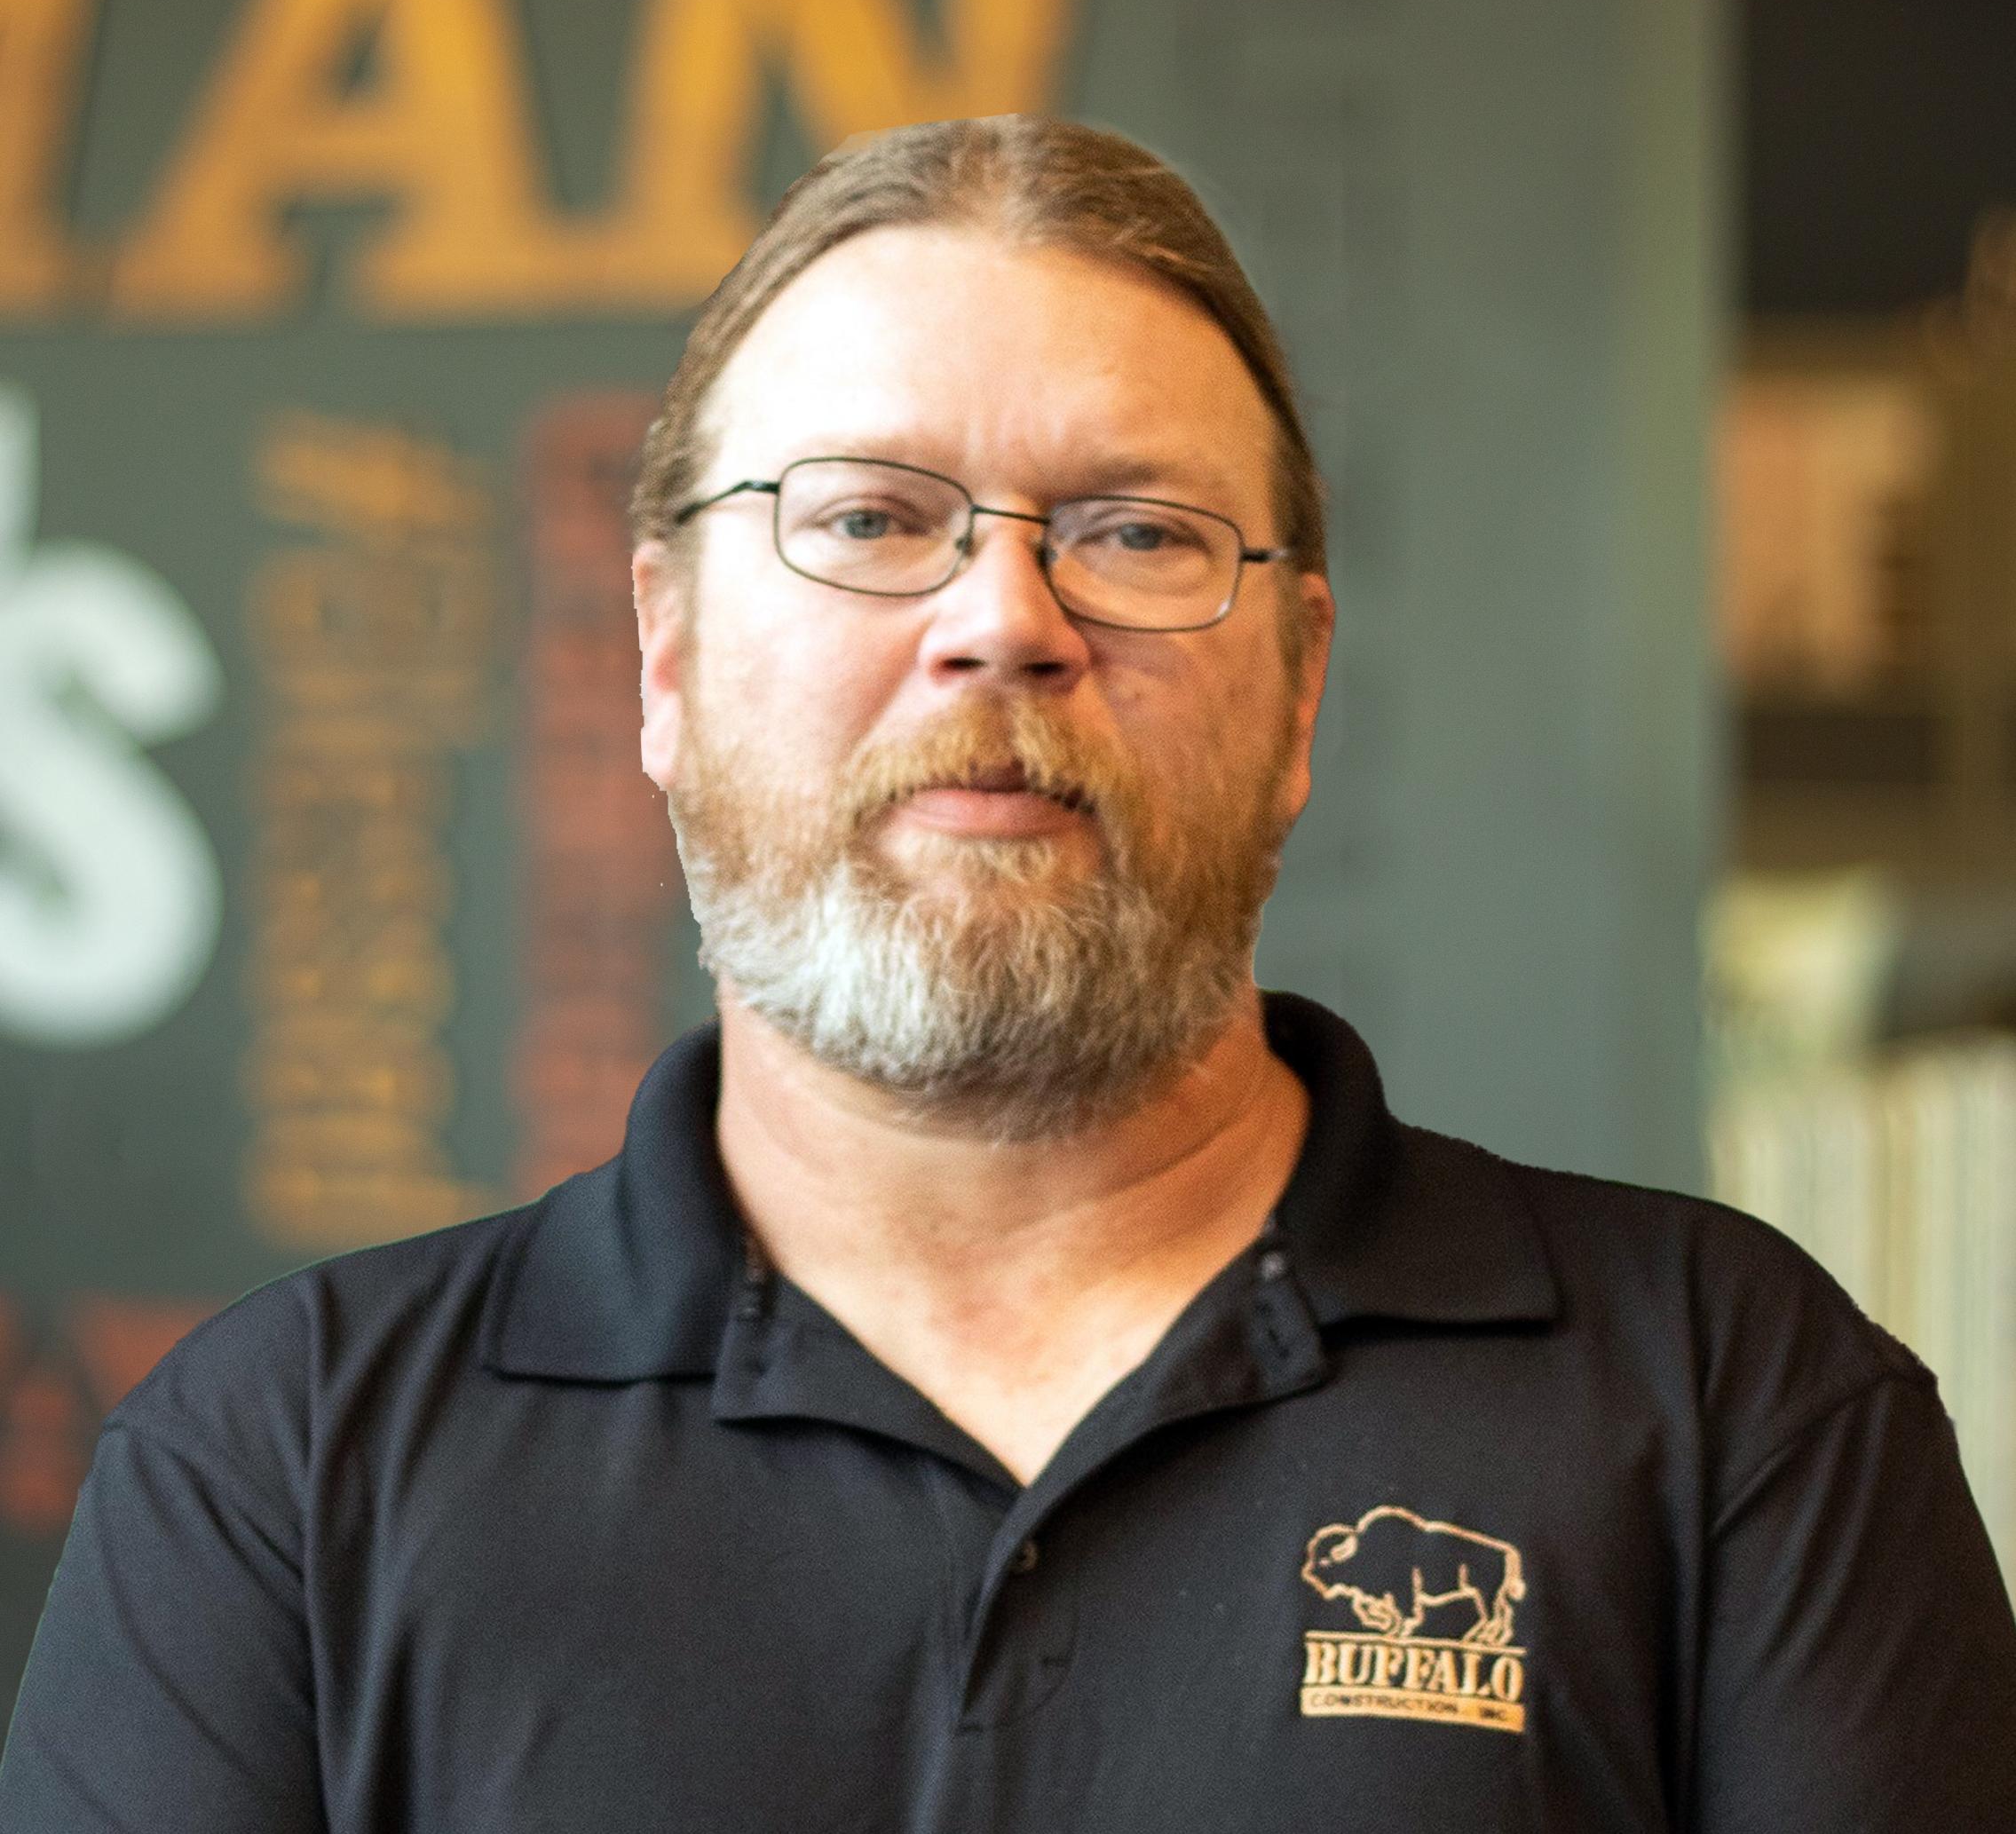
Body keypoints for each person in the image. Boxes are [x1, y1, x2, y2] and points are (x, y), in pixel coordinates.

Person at [3, 115, 2013, 1832]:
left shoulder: (1735, 1403)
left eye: (1132, 533)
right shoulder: (275, 1467)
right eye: (868, 515)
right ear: (666, 657)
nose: (1001, 618)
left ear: (1298, 685)